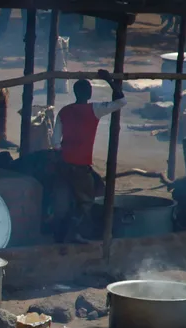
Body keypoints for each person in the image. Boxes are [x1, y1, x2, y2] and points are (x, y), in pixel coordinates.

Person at [51, 70, 126, 242]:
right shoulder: (95, 109)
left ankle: (61, 233)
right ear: (89, 93)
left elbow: (55, 141)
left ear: (75, 93)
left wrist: (63, 152)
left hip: (64, 164)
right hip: (80, 167)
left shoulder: (64, 111)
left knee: (65, 200)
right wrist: (109, 80)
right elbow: (121, 101)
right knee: (86, 203)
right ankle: (80, 235)